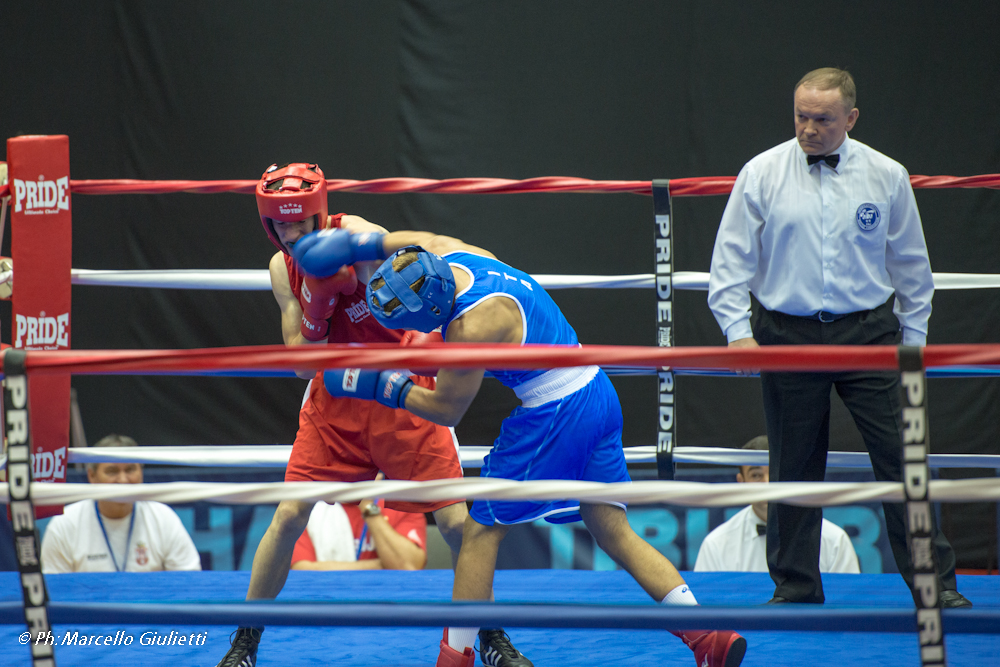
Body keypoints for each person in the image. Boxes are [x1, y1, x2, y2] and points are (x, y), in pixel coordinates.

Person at [290, 228, 748, 667]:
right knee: (612, 529)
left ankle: (454, 659)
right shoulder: (452, 254)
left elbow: (446, 409)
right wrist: (356, 244)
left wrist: (380, 386)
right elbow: (408, 239)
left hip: (555, 411)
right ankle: (706, 636)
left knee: (479, 532)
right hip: (598, 392)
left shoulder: (469, 328)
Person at [216, 163, 523, 667]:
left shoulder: (360, 237)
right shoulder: (279, 268)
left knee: (453, 522)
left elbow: (419, 304)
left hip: (400, 394)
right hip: (334, 404)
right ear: (269, 226)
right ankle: (244, 642)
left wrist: (351, 281)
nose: (292, 236)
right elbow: (299, 363)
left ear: (319, 216)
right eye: (282, 227)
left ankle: (489, 635)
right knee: (289, 513)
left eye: (300, 224)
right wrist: (317, 311)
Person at [707, 68, 970, 607]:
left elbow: (912, 268)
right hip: (786, 333)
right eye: (801, 116)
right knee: (793, 463)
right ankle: (797, 587)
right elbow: (729, 261)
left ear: (850, 118)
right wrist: (737, 332)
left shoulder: (886, 174)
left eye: (822, 119)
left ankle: (934, 586)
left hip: (869, 333)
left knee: (903, 459)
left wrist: (912, 343)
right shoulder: (761, 172)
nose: (808, 128)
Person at [694, 436, 859, 573]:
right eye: (756, 475)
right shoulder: (716, 545)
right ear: (741, 482)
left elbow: (850, 607)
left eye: (774, 473)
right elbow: (705, 611)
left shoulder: (834, 541)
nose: (767, 485)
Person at [39, 434, 201, 573]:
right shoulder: (64, 524)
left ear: (141, 472)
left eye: (130, 469)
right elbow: (53, 592)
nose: (123, 480)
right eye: (112, 471)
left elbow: (190, 582)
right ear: (92, 476)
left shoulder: (163, 518)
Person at [291, 474, 428, 571]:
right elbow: (302, 570)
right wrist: (382, 566)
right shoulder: (309, 510)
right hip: (330, 602)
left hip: (391, 604)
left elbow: (409, 566)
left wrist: (368, 507)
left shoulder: (403, 505)